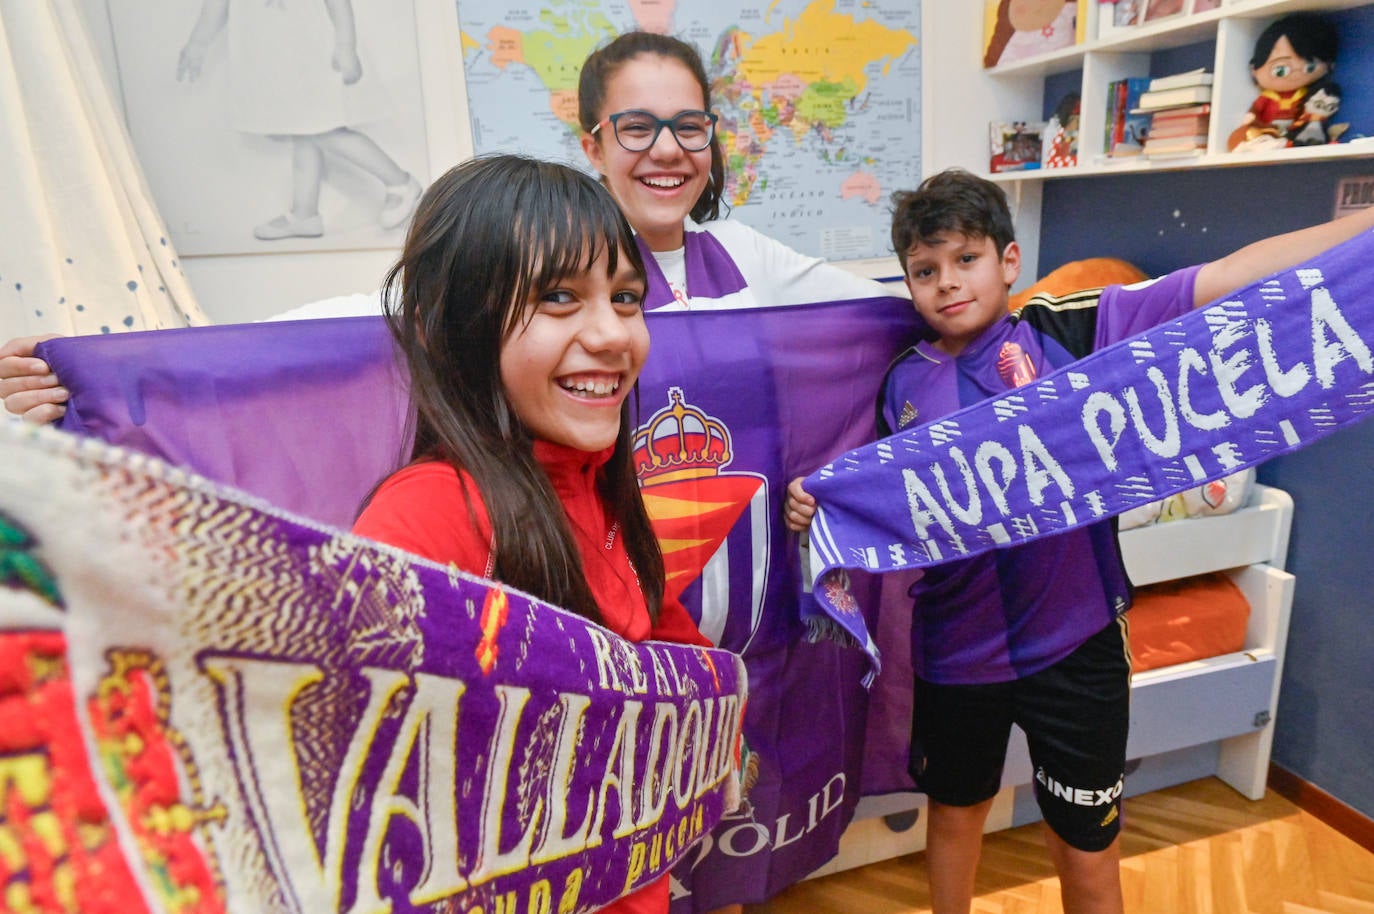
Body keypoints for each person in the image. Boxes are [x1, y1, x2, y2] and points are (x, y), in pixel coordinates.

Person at [784, 167, 1374, 914]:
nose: (947, 283)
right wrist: (820, 508)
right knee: (957, 814)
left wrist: (1362, 230)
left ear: (1007, 262)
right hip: (956, 652)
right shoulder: (902, 381)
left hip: (1079, 643)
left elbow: (1226, 278)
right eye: (925, 271)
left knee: (1089, 840)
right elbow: (877, 498)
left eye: (966, 260)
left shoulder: (1079, 327)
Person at [352, 154, 711, 914]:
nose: (614, 335)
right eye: (558, 297)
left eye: (626, 297)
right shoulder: (428, 518)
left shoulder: (600, 476)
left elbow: (654, 635)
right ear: (450, 328)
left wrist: (718, 710)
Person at [576, 31, 891, 312]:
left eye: (688, 126)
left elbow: (886, 313)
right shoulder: (561, 265)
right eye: (637, 127)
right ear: (595, 151)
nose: (669, 150)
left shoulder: (742, 252)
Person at [177, 0, 424, 239]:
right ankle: (304, 213)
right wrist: (197, 44)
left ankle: (399, 182)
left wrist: (346, 46)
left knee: (322, 130)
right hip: (272, 59)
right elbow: (216, 6)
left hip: (309, 52)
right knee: (302, 131)